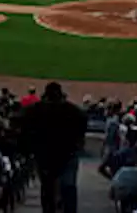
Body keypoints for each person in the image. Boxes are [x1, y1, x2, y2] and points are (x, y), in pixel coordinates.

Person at [22, 83, 86, 213]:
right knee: (68, 187)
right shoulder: (73, 110)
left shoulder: (34, 110)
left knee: (47, 188)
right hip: (67, 155)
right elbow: (82, 124)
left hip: (45, 156)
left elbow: (24, 129)